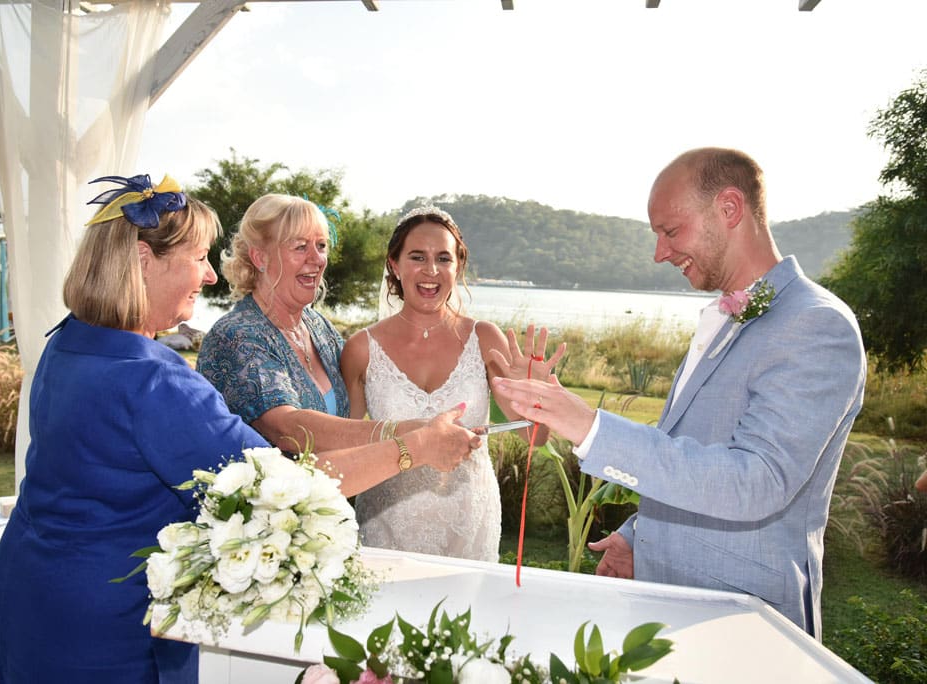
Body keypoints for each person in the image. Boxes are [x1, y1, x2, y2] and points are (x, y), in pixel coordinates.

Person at [491, 148, 866, 640]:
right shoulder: (725, 316)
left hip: (745, 622)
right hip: (669, 609)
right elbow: (696, 448)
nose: (659, 252)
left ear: (729, 209)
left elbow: (756, 481)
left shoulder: (817, 325)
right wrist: (637, 536)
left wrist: (589, 426)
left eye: (670, 231)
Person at [0, 174, 272, 683]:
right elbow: (276, 485)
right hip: (104, 633)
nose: (210, 277)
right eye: (199, 257)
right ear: (142, 260)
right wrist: (408, 447)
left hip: (28, 599)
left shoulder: (68, 341)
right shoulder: (152, 379)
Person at [197, 194, 479, 496]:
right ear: (260, 257)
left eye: (321, 246)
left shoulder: (319, 329)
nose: (317, 260)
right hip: (259, 526)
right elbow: (287, 429)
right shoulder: (238, 335)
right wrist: (411, 435)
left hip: (322, 519)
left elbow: (350, 420)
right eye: (300, 247)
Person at [339, 206, 564, 562]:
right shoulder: (360, 349)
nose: (431, 271)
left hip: (470, 521)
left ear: (457, 267)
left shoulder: (485, 338)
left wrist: (536, 398)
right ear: (394, 265)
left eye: (443, 258)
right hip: (385, 523)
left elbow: (534, 438)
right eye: (417, 257)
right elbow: (345, 443)